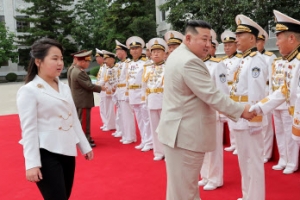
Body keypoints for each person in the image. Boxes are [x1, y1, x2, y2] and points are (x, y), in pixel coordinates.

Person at [156, 20, 256, 200]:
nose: (208, 45)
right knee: (185, 192)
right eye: (204, 39)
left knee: (181, 190)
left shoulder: (177, 55)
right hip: (186, 136)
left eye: (210, 40)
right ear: (188, 38)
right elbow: (212, 95)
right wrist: (242, 110)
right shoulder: (189, 62)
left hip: (178, 134)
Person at [16, 38, 94, 200]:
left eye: (61, 58)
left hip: (66, 149)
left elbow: (72, 118)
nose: (60, 63)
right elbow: (29, 130)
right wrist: (31, 164)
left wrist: (84, 145)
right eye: (54, 58)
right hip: (46, 152)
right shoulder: (29, 91)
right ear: (39, 61)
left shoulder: (64, 87)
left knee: (65, 196)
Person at [250, 10, 300, 174]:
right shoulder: (289, 62)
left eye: (279, 38)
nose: (276, 43)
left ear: (291, 38)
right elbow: (283, 91)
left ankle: (291, 162)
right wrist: (260, 106)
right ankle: (285, 159)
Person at [231, 14, 268, 200]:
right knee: (243, 161)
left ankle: (256, 197)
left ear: (252, 38)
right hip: (240, 116)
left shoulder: (256, 61)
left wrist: (255, 121)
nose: (236, 38)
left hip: (249, 119)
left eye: (240, 35)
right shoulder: (242, 60)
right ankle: (247, 195)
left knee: (253, 161)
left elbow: (257, 94)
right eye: (236, 35)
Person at [198, 29, 228, 191]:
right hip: (198, 112)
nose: (204, 47)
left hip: (213, 111)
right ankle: (205, 175)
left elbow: (223, 90)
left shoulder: (217, 65)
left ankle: (216, 178)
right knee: (202, 146)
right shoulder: (195, 64)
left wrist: (222, 113)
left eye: (207, 45)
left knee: (214, 147)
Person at [68, 50, 104, 147]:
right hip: (82, 100)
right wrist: (101, 88)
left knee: (82, 120)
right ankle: (84, 141)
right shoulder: (79, 72)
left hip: (79, 99)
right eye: (87, 61)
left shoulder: (74, 69)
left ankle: (84, 138)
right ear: (83, 62)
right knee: (84, 122)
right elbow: (89, 86)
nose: (89, 63)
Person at [126, 36, 153, 152]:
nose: (134, 50)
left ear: (141, 49)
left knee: (146, 119)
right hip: (133, 93)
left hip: (142, 93)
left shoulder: (146, 63)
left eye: (137, 48)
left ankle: (150, 141)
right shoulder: (129, 63)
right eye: (132, 49)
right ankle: (144, 139)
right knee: (139, 119)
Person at [143, 38, 168, 160]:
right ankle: (158, 152)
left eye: (159, 51)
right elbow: (144, 85)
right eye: (153, 52)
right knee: (154, 128)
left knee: (166, 128)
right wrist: (145, 100)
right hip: (152, 99)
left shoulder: (168, 67)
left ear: (164, 54)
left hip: (164, 100)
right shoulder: (147, 68)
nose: (156, 54)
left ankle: (168, 152)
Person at [256, 26, 277, 163]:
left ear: (263, 42)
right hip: (254, 95)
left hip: (266, 93)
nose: (256, 44)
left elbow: (273, 78)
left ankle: (267, 153)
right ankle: (259, 150)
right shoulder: (252, 58)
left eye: (259, 41)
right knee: (256, 125)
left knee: (266, 125)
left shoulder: (270, 57)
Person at [221, 30, 242, 155]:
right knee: (230, 119)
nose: (227, 48)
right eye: (225, 45)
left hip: (235, 90)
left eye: (229, 45)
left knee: (237, 118)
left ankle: (239, 145)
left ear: (235, 45)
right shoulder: (222, 60)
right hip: (225, 90)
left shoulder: (240, 59)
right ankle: (233, 143)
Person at [114, 39, 136, 144]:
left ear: (123, 52)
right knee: (122, 115)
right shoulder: (119, 64)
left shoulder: (128, 63)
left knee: (127, 115)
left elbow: (129, 79)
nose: (116, 53)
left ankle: (130, 136)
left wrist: (128, 92)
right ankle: (125, 134)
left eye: (118, 51)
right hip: (119, 91)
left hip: (125, 92)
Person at [102, 50, 117, 131]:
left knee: (114, 110)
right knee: (108, 109)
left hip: (115, 91)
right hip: (107, 91)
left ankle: (113, 125)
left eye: (106, 59)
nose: (105, 61)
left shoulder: (116, 68)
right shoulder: (107, 69)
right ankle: (109, 124)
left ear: (112, 59)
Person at [95, 48, 108, 132]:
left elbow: (103, 79)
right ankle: (105, 123)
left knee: (106, 108)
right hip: (101, 91)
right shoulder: (101, 67)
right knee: (103, 107)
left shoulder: (105, 67)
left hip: (104, 90)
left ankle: (107, 123)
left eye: (97, 57)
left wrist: (96, 86)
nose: (96, 59)